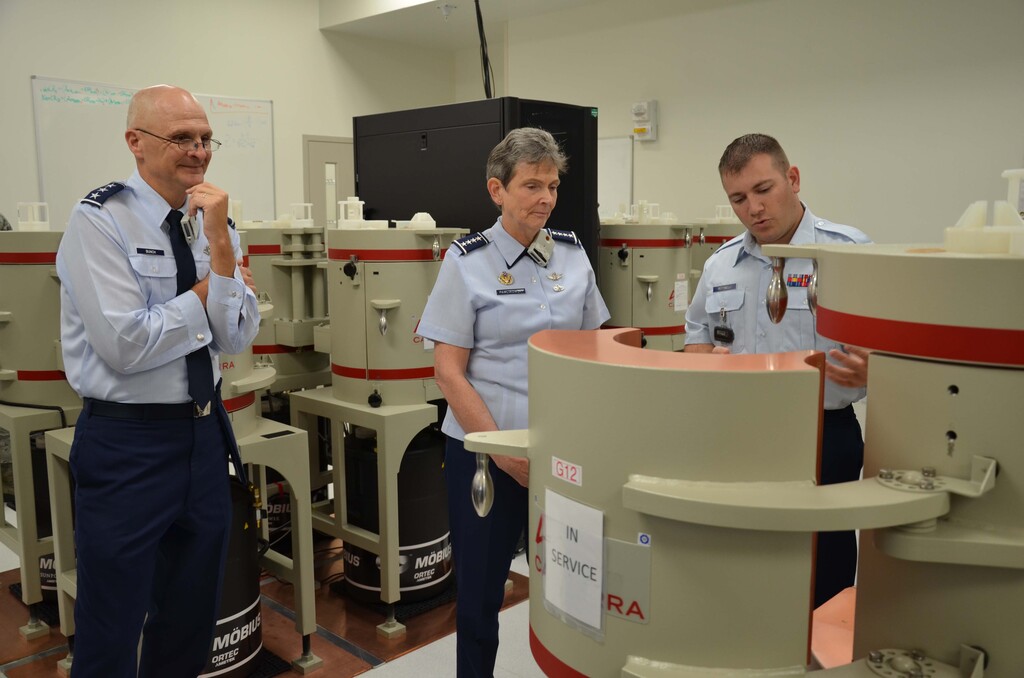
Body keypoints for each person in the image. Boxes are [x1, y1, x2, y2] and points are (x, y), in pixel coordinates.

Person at [55, 84, 260, 677]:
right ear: (136, 143)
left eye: (206, 138)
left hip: (203, 439)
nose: (198, 151)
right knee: (111, 628)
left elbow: (236, 336)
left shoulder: (216, 222)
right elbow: (125, 345)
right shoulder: (100, 221)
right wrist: (209, 290)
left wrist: (220, 247)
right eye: (181, 138)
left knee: (190, 623)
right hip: (128, 446)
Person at [417, 127, 609, 677]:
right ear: (496, 190)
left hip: (562, 453)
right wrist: (505, 454)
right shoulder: (466, 262)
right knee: (481, 596)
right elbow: (448, 372)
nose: (545, 198)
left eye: (552, 186)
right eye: (532, 186)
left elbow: (595, 348)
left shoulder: (572, 255)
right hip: (485, 456)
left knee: (576, 586)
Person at [684, 133, 871, 609]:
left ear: (793, 178)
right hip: (741, 434)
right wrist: (702, 359)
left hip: (823, 433)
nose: (753, 208)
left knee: (826, 566)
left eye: (763, 189)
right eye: (738, 199)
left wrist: (875, 368)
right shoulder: (721, 265)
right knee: (748, 559)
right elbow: (696, 336)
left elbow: (894, 348)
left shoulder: (850, 253)